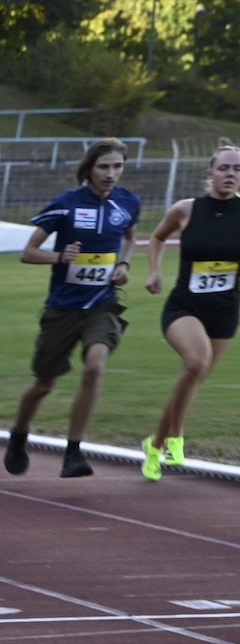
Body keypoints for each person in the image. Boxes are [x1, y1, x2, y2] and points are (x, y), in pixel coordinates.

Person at [4, 138, 141, 478]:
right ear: (89, 169)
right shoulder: (66, 205)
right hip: (63, 308)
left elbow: (130, 238)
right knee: (44, 385)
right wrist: (59, 257)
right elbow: (28, 253)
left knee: (94, 366)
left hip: (103, 304)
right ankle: (19, 435)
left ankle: (74, 452)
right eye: (104, 167)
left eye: (117, 167)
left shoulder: (128, 203)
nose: (111, 174)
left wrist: (124, 265)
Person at [140, 141, 240, 480]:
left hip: (224, 311)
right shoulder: (186, 209)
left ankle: (159, 442)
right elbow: (157, 237)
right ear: (210, 172)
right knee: (197, 363)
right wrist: (154, 271)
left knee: (193, 376)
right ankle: (169, 439)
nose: (230, 174)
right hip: (184, 306)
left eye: (237, 169)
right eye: (224, 168)